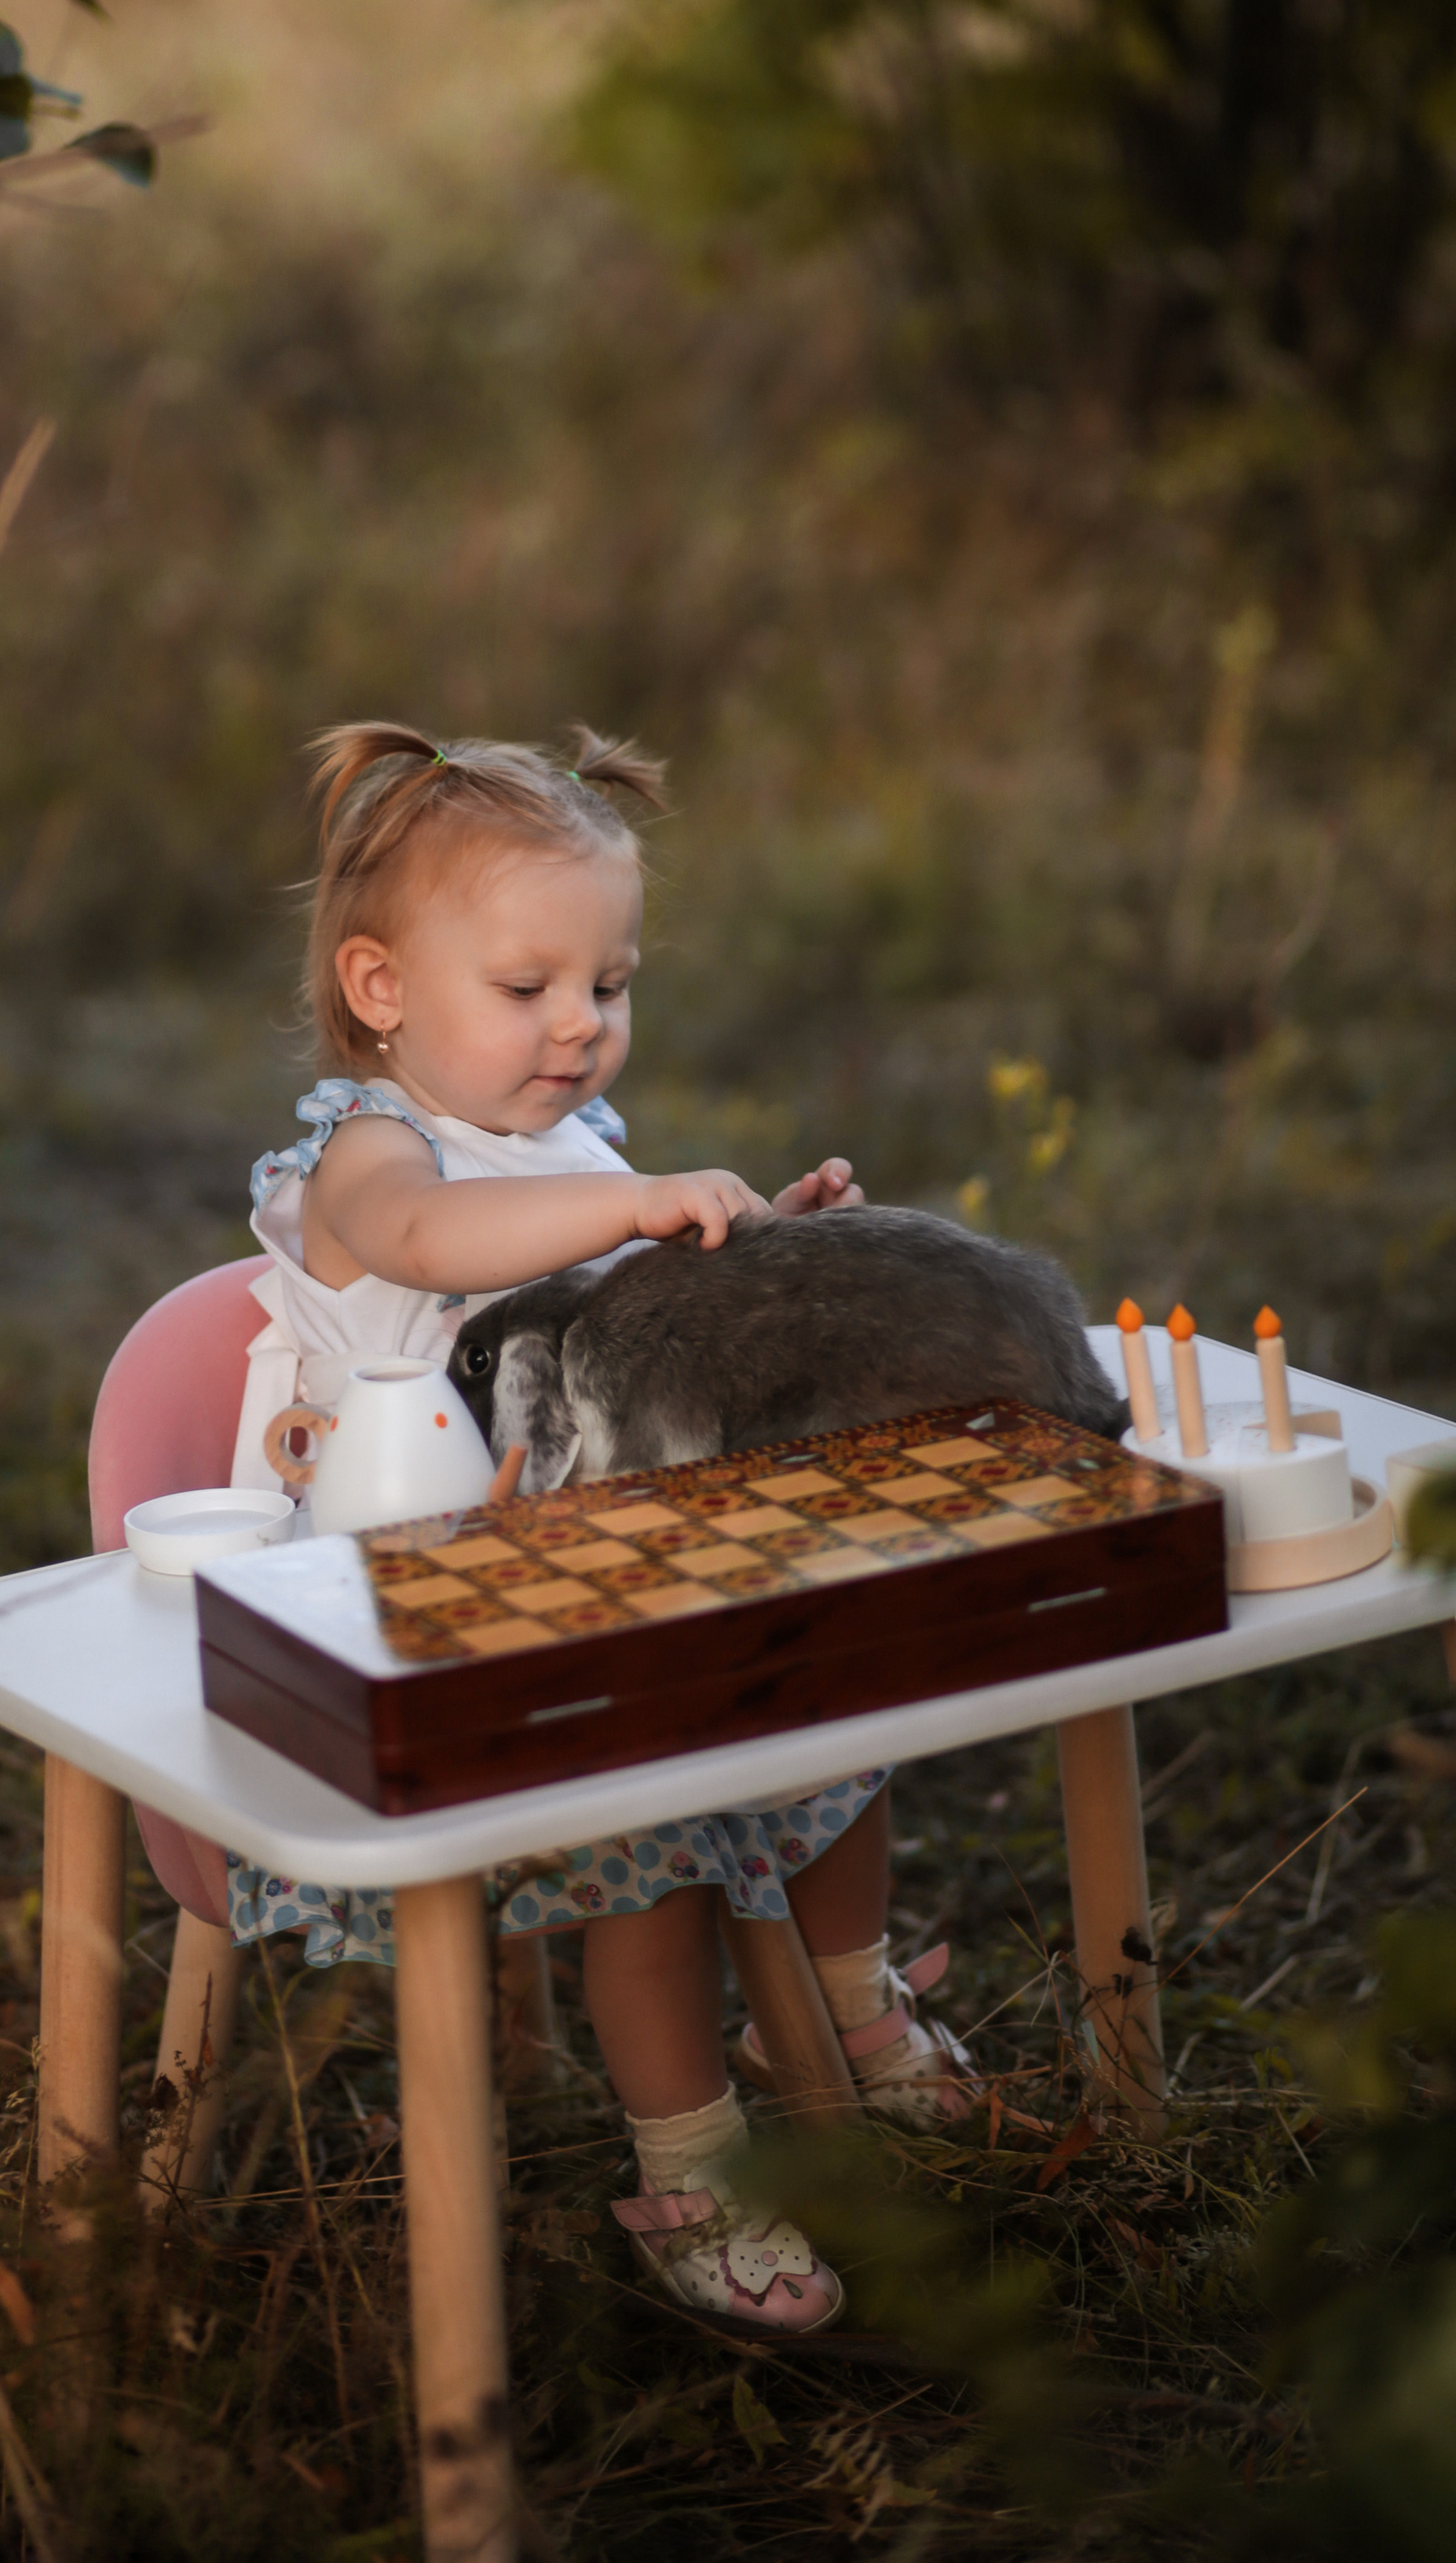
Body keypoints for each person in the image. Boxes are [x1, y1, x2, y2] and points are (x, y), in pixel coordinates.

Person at [220, 721, 971, 2335]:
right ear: (379, 989)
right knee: (655, 1849)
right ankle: (687, 2161)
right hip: (407, 1608)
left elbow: (622, 1317)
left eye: (608, 986)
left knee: (836, 1705)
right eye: (527, 987)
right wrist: (633, 1205)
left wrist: (753, 1244)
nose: (580, 1024)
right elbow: (434, 1239)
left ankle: (840, 2010)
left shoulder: (570, 1148)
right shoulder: (371, 1151)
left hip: (588, 1564)